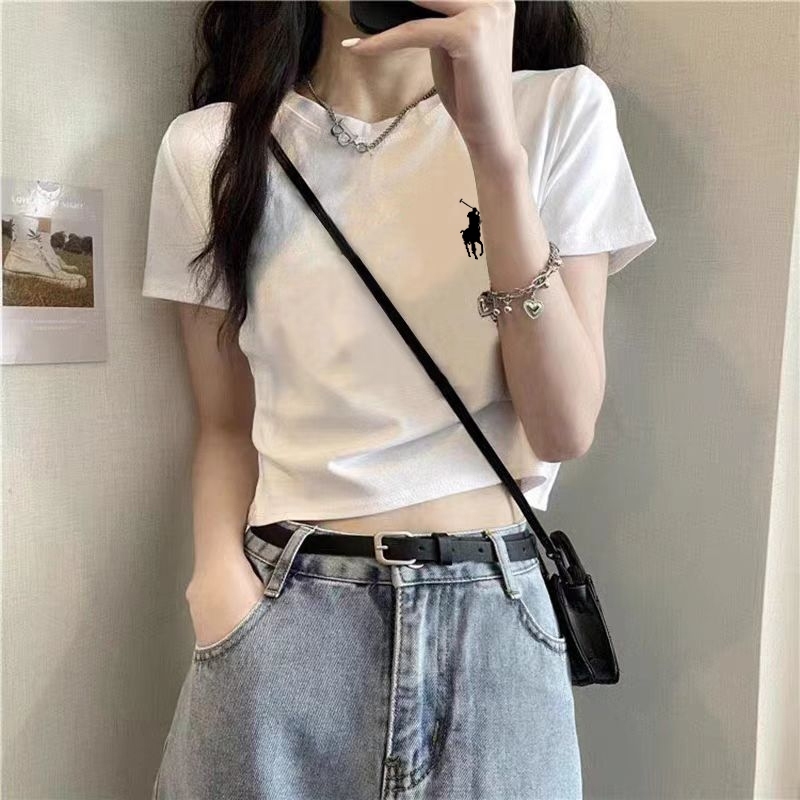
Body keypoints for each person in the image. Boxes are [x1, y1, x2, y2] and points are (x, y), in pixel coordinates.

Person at [142, 2, 657, 798]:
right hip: (285, 618)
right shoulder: (211, 148)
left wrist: (493, 149)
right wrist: (217, 587)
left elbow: (562, 426)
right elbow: (222, 423)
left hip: (495, 626)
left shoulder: (558, 108)